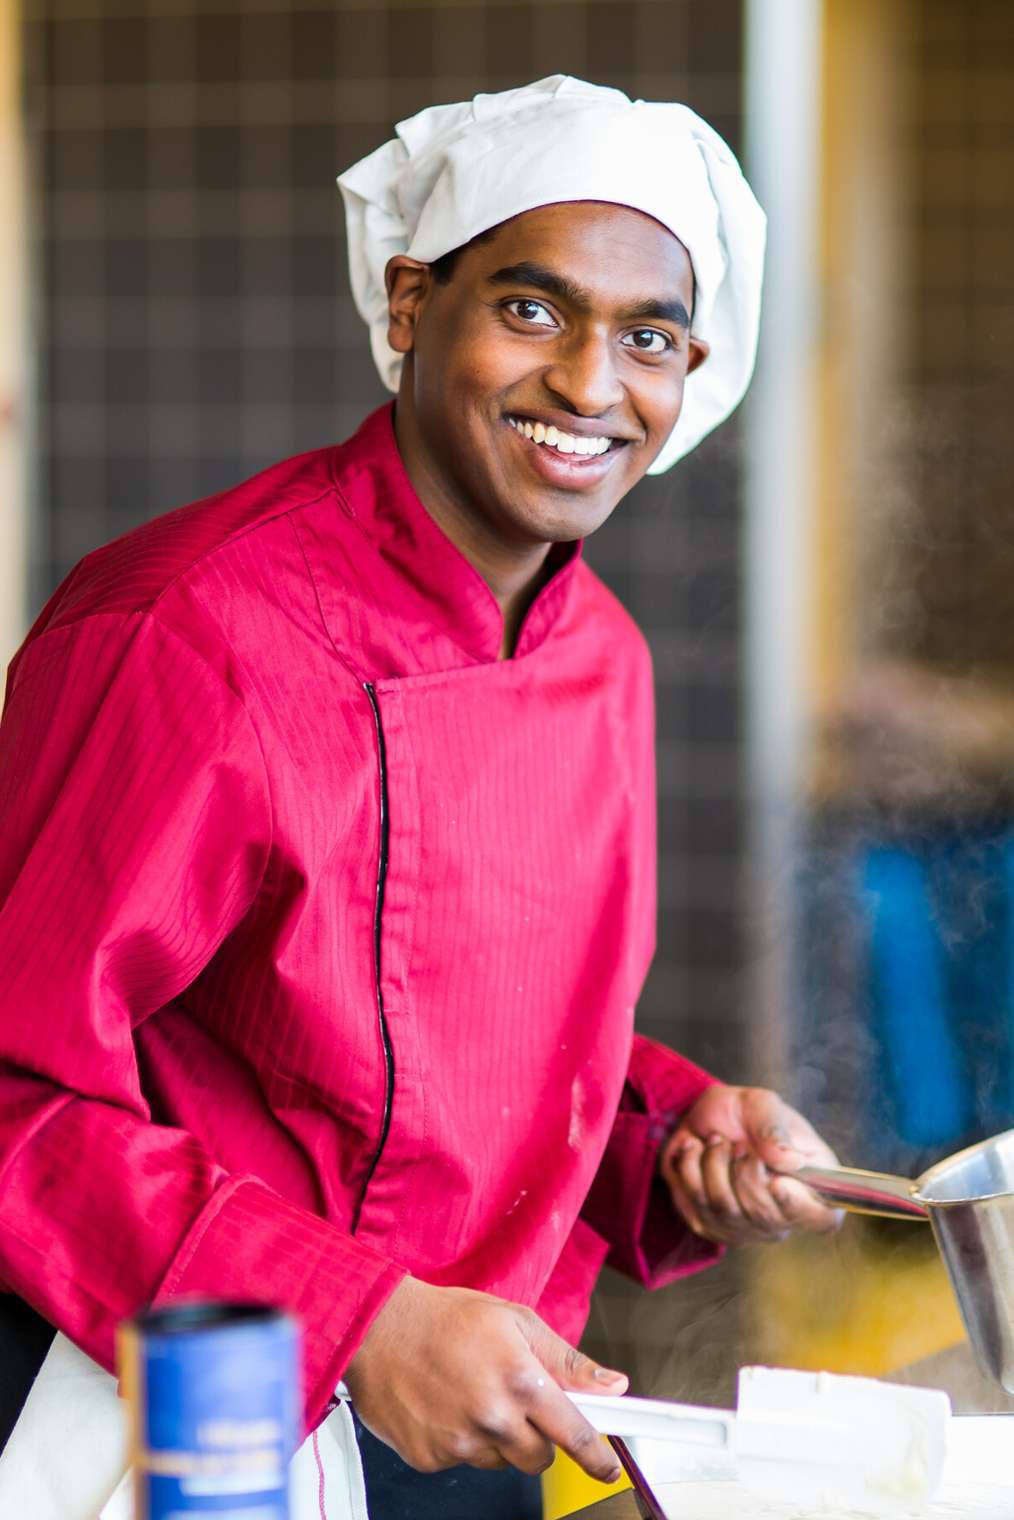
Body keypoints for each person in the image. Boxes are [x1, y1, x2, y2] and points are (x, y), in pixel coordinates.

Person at [0, 76, 840, 1519]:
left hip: (476, 1407)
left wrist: (668, 1130)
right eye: (531, 309)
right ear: (407, 305)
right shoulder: (183, 632)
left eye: (646, 337)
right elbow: (17, 1087)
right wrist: (361, 1314)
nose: (589, 385)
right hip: (177, 1400)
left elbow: (439, 1023)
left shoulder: (605, 663)